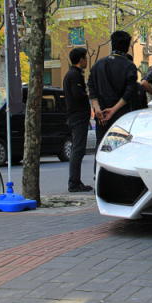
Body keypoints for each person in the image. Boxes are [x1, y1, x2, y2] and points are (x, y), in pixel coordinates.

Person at [87, 31, 138, 149]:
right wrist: (113, 110)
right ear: (127, 46)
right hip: (121, 117)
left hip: (101, 118)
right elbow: (129, 93)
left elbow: (91, 87)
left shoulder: (97, 64)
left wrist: (97, 109)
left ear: (112, 44)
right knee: (117, 150)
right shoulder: (129, 66)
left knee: (100, 150)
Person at [63, 47, 93, 193]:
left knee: (78, 149)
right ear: (80, 59)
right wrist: (87, 92)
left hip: (77, 116)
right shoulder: (74, 75)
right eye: (85, 58)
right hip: (78, 116)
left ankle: (76, 181)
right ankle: (74, 182)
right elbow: (78, 95)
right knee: (78, 149)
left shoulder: (73, 74)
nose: (86, 61)